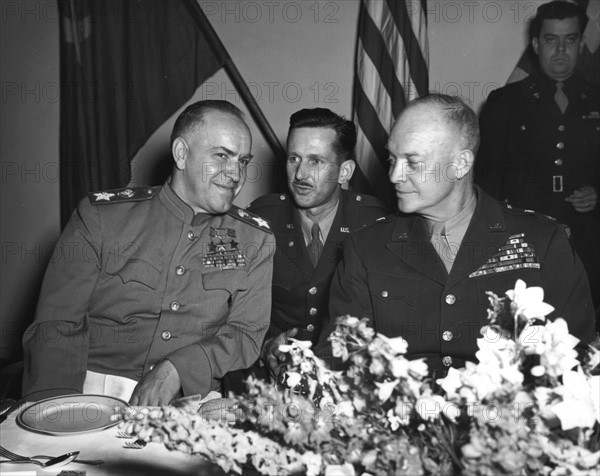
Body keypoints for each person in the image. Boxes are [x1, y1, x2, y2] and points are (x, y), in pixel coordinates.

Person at [317, 94, 595, 377]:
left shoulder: (543, 242)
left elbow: (574, 363)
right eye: (392, 159)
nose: (394, 175)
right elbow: (336, 363)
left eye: (412, 162)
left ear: (461, 164)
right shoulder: (365, 250)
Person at [22, 100, 275, 405]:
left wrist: (177, 369)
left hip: (192, 397)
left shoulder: (254, 238)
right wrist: (55, 408)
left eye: (243, 161)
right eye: (222, 156)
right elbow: (58, 324)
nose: (235, 173)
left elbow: (246, 333)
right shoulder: (103, 218)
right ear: (181, 154)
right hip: (91, 393)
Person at [238, 108, 388, 381]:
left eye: (316, 161)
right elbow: (235, 310)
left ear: (345, 172)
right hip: (273, 378)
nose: (300, 174)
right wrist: (266, 346)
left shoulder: (377, 225)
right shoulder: (260, 220)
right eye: (294, 158)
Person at [476, 0, 600, 321]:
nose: (560, 50)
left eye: (570, 39)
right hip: (525, 239)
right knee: (526, 330)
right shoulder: (506, 101)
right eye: (551, 39)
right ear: (535, 44)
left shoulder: (597, 97)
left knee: (583, 330)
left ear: (580, 43)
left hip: (589, 241)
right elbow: (487, 179)